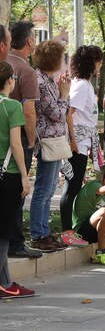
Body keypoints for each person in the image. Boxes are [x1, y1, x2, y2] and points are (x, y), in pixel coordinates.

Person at [30, 40, 71, 252]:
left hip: (55, 140)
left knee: (49, 188)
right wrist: (63, 95)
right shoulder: (41, 82)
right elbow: (57, 114)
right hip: (48, 141)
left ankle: (44, 231)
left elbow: (61, 112)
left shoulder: (48, 80)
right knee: (44, 189)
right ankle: (38, 233)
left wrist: (63, 91)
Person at [0, 60, 36, 298]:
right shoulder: (11, 107)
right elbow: (16, 144)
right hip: (8, 174)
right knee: (3, 232)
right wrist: (25, 175)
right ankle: (4, 283)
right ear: (10, 81)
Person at [6, 21, 42, 259]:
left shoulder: (5, 64)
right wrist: (31, 140)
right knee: (19, 191)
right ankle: (16, 243)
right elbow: (29, 111)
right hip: (17, 140)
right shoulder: (26, 71)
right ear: (29, 42)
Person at [63, 45, 105, 246]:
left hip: (82, 142)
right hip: (76, 143)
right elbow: (69, 114)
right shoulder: (81, 86)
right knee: (71, 188)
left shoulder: (85, 85)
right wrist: (73, 141)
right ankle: (66, 231)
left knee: (75, 185)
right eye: (98, 60)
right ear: (91, 62)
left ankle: (70, 229)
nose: (101, 64)